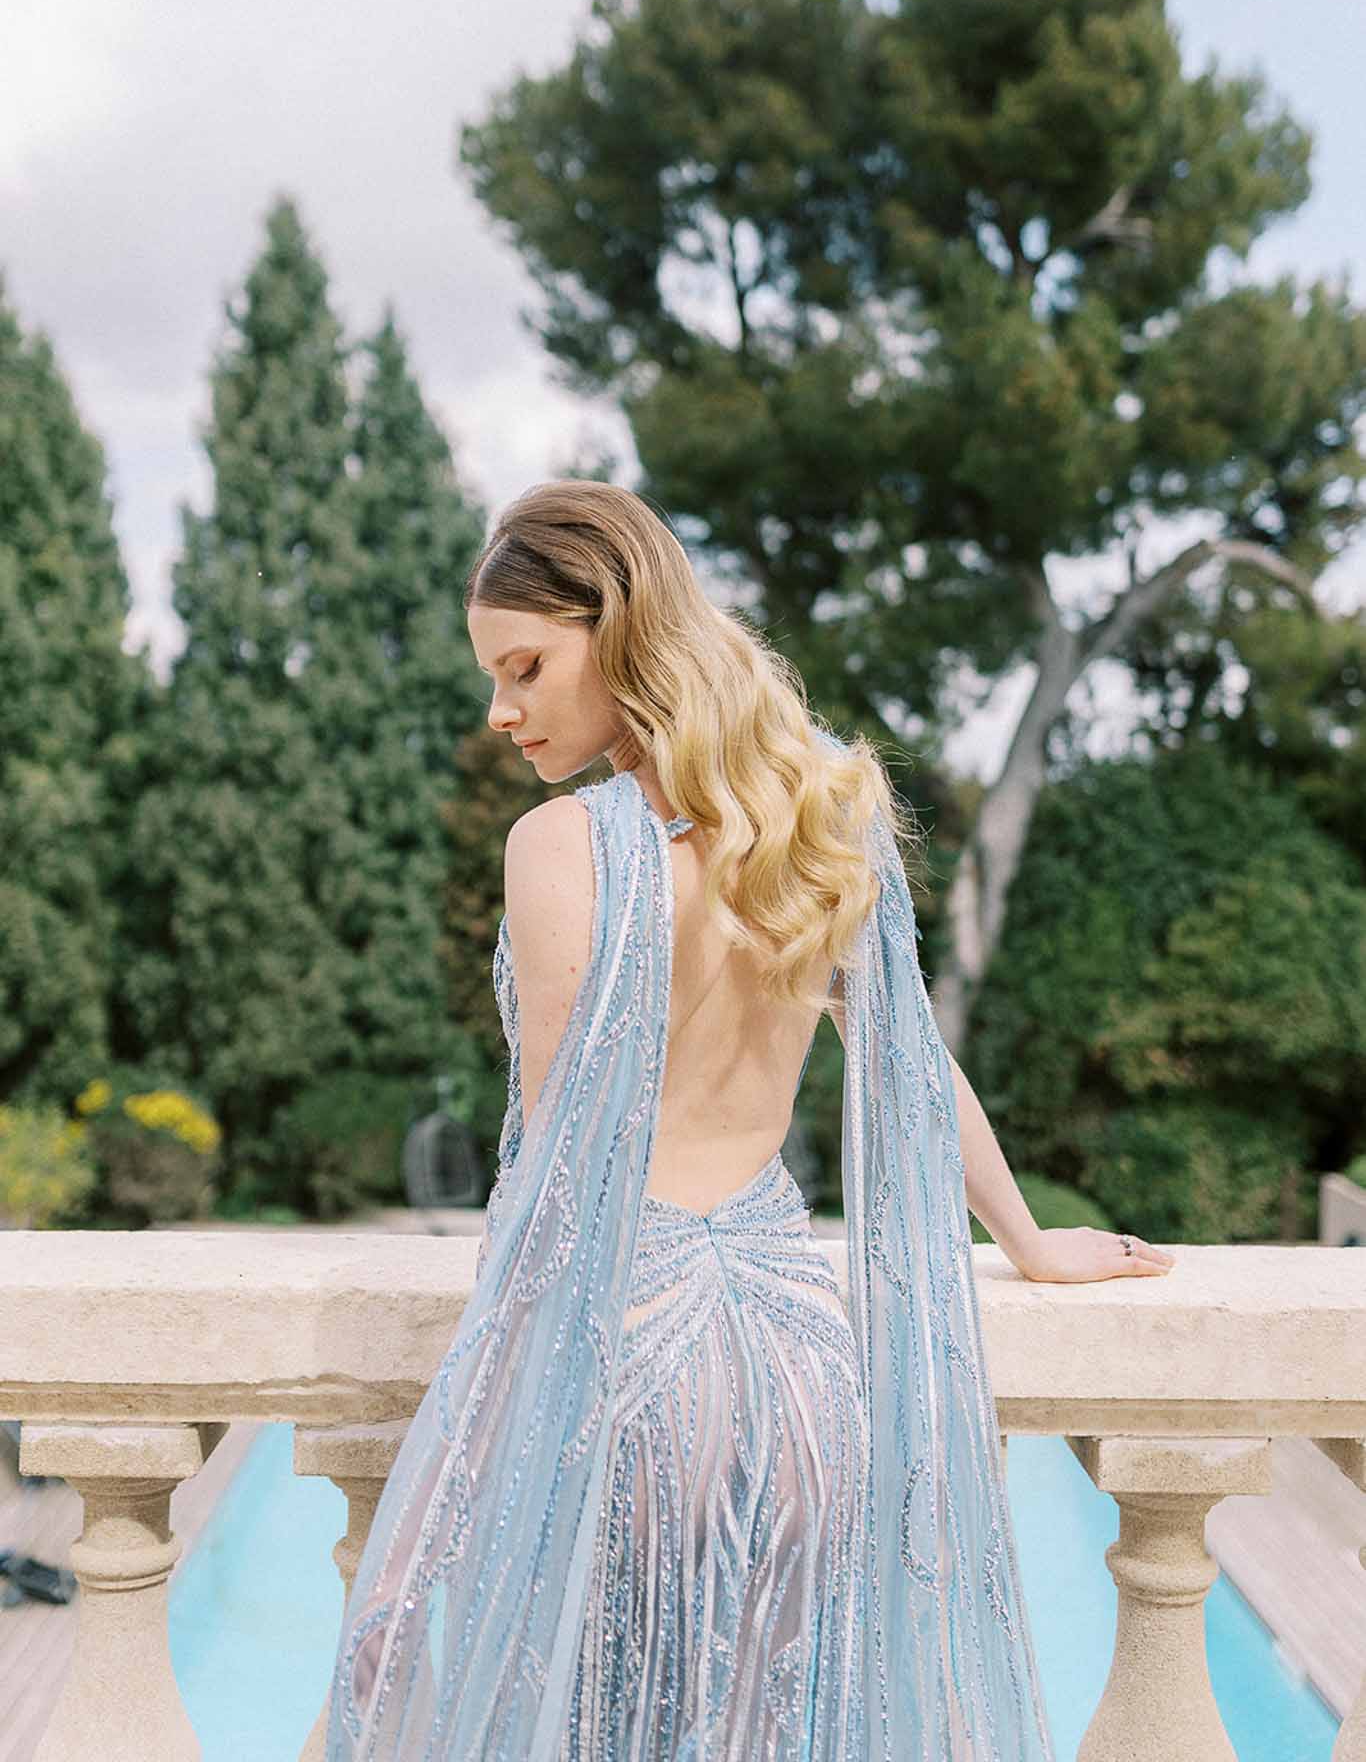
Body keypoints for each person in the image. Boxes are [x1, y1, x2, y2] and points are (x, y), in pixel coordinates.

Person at [324, 479, 1175, 1761]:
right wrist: (1029, 1235)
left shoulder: (562, 848)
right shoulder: (817, 821)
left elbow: (560, 1182)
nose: (501, 711)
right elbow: (907, 1066)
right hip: (801, 1374)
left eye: (525, 666)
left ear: (617, 628)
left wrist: (444, 1492)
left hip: (638, 1369)